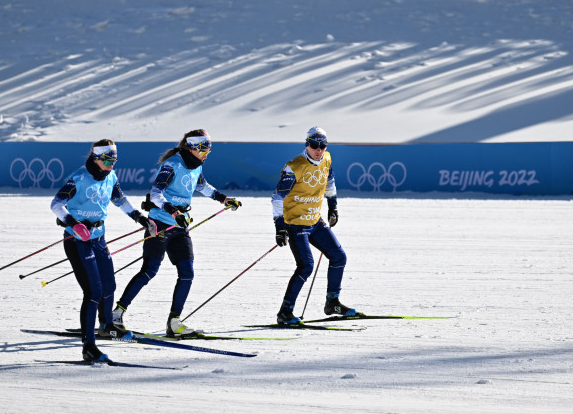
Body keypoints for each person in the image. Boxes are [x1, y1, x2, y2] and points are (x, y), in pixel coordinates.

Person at [112, 129, 242, 337]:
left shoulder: (195, 165)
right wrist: (173, 211)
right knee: (149, 270)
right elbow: (156, 194)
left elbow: (203, 187)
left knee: (187, 273)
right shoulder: (173, 164)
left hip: (180, 227)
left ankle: (174, 321)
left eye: (209, 149)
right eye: (204, 149)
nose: (207, 153)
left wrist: (224, 199)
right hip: (160, 224)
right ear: (192, 148)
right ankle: (117, 313)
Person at [50, 139, 154, 363]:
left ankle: (106, 326)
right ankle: (89, 347)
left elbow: (120, 200)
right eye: (107, 160)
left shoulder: (111, 177)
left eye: (114, 160)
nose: (111, 165)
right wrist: (72, 223)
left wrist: (139, 218)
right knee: (93, 293)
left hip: (99, 238)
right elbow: (56, 204)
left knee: (109, 285)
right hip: (77, 240)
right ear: (96, 158)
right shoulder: (79, 178)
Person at [272, 126, 360, 325]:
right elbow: (277, 198)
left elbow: (330, 182)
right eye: (314, 145)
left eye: (322, 145)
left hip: (315, 221)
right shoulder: (294, 166)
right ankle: (285, 313)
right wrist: (279, 226)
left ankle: (333, 303)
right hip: (295, 224)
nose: (318, 149)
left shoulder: (327, 159)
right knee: (306, 266)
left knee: (339, 257)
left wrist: (333, 206)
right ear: (307, 144)